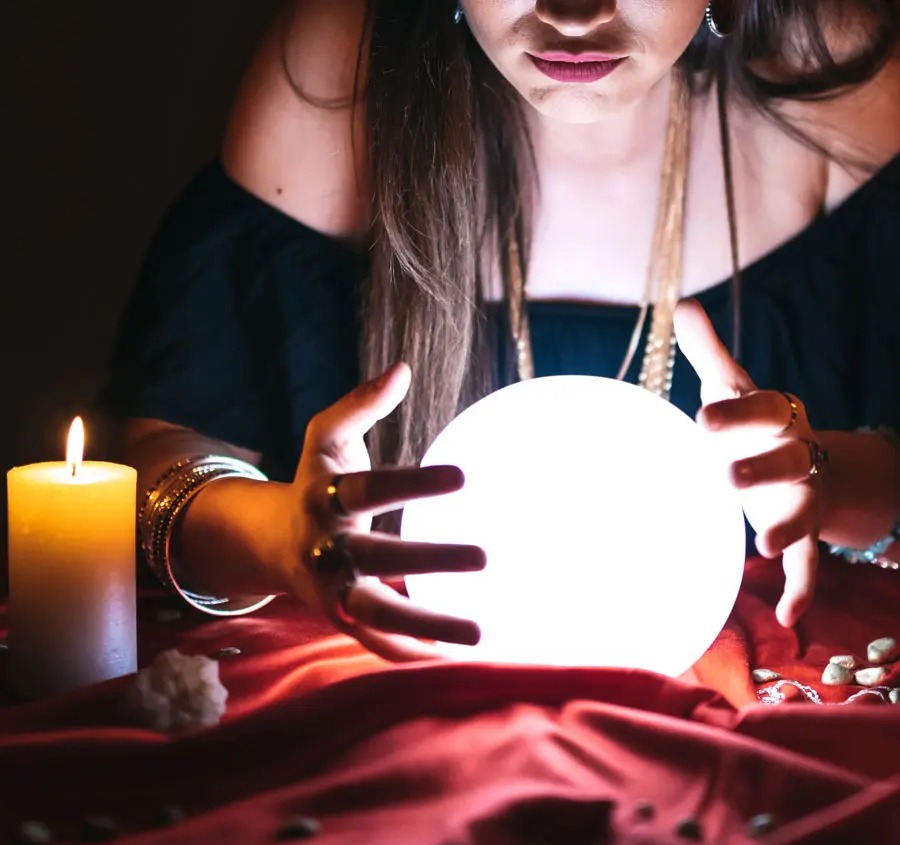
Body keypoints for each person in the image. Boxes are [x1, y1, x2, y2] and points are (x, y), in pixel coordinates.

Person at [100, 0, 900, 661]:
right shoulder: (346, 64)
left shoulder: (830, 73)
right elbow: (142, 471)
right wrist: (275, 534)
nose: (576, 13)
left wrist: (833, 480)